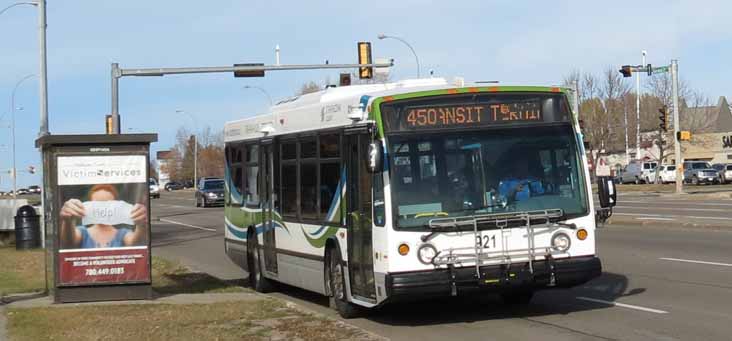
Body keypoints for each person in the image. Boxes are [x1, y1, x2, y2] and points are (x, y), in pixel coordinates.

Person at [60, 184, 148, 249]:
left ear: (116, 205)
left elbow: (136, 243)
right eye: (97, 204)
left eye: (107, 204)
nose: (102, 209)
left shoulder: (123, 234)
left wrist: (141, 224)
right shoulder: (82, 232)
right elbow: (68, 242)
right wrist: (68, 221)